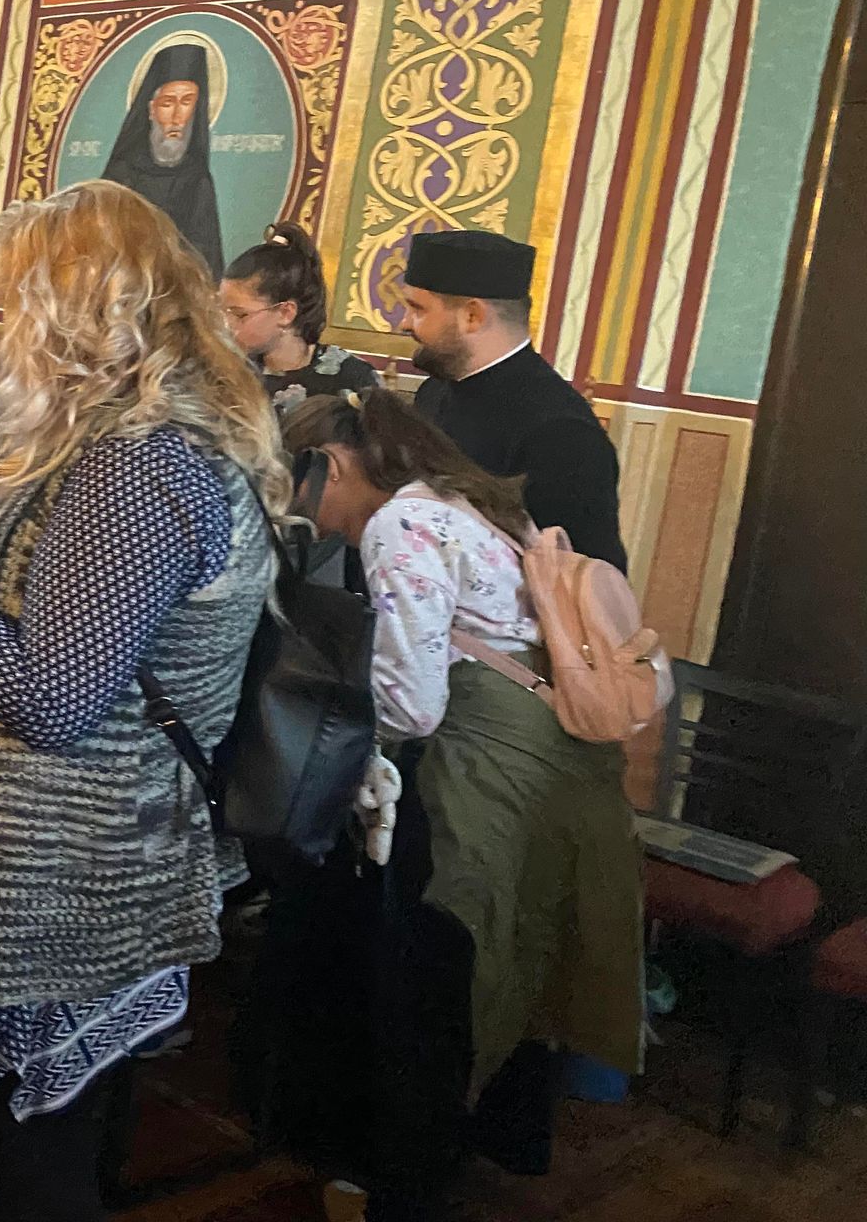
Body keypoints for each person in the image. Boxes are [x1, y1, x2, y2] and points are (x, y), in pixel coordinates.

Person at [0, 179, 281, 1220]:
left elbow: (50, 696)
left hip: (73, 861)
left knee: (41, 1153)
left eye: (16, 308)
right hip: (79, 846)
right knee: (66, 1126)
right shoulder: (123, 438)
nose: (1, 338)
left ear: (77, 316)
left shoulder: (139, 464)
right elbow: (46, 601)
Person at [273, 390, 643, 1220]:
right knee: (509, 953)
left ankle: (403, 1191)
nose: (305, 517)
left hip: (484, 765)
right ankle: (493, 1142)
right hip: (554, 762)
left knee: (431, 976)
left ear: (332, 466)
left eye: (299, 491)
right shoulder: (465, 500)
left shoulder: (401, 526)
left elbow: (412, 706)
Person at [400, 229, 627, 569]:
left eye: (417, 309)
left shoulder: (561, 433)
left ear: (472, 316)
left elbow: (589, 575)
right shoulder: (435, 390)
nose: (404, 323)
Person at [220, 221, 377, 416]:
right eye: (222, 311)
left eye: (239, 315)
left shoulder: (352, 379)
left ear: (285, 313)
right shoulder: (222, 374)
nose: (227, 325)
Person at [99, 42, 222, 270]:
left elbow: (208, 261)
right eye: (167, 103)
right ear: (151, 109)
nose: (177, 117)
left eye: (187, 102)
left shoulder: (197, 179)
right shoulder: (121, 175)